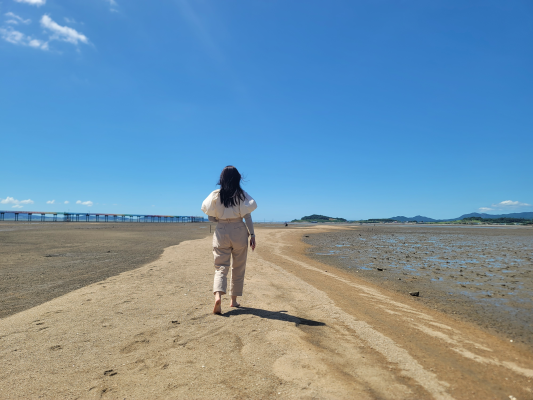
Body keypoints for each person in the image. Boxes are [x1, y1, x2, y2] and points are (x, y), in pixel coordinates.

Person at [201, 166, 257, 315]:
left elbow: (210, 216)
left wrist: (220, 219)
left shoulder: (215, 195)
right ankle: (233, 300)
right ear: (238, 178)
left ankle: (218, 297)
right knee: (238, 267)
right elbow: (247, 216)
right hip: (239, 230)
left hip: (221, 231)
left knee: (220, 267)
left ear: (222, 178)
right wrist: (252, 235)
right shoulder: (241, 195)